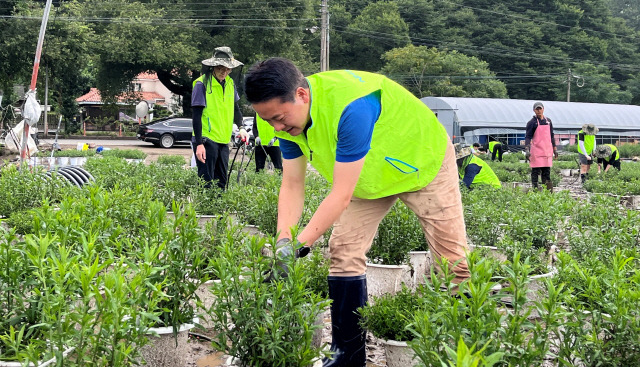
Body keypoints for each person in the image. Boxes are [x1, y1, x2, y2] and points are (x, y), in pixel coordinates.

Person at [244, 58, 470, 367]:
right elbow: (293, 183)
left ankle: (468, 353)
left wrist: (299, 247)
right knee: (343, 251)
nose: (277, 127)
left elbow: (340, 193)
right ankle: (346, 359)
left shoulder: (352, 106)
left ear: (302, 95)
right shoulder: (276, 117)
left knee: (452, 261)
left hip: (421, 161)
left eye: (280, 118)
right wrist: (285, 240)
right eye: (269, 121)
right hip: (369, 177)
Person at [191, 47, 248, 190]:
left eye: (228, 69)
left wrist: (241, 128)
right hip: (206, 138)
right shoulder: (201, 84)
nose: (224, 72)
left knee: (222, 182)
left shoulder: (230, 83)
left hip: (223, 139)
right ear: (213, 67)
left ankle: (218, 211)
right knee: (206, 182)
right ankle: (203, 211)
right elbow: (196, 116)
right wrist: (198, 144)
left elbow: (235, 109)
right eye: (220, 68)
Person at [524, 102, 558, 191]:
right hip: (537, 151)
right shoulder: (532, 123)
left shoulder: (548, 121)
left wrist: (555, 149)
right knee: (535, 172)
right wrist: (527, 149)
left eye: (540, 108)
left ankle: (548, 191)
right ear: (534, 110)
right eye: (537, 109)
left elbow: (551, 135)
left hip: (547, 151)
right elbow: (528, 137)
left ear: (543, 109)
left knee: (546, 173)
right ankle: (535, 190)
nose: (538, 111)